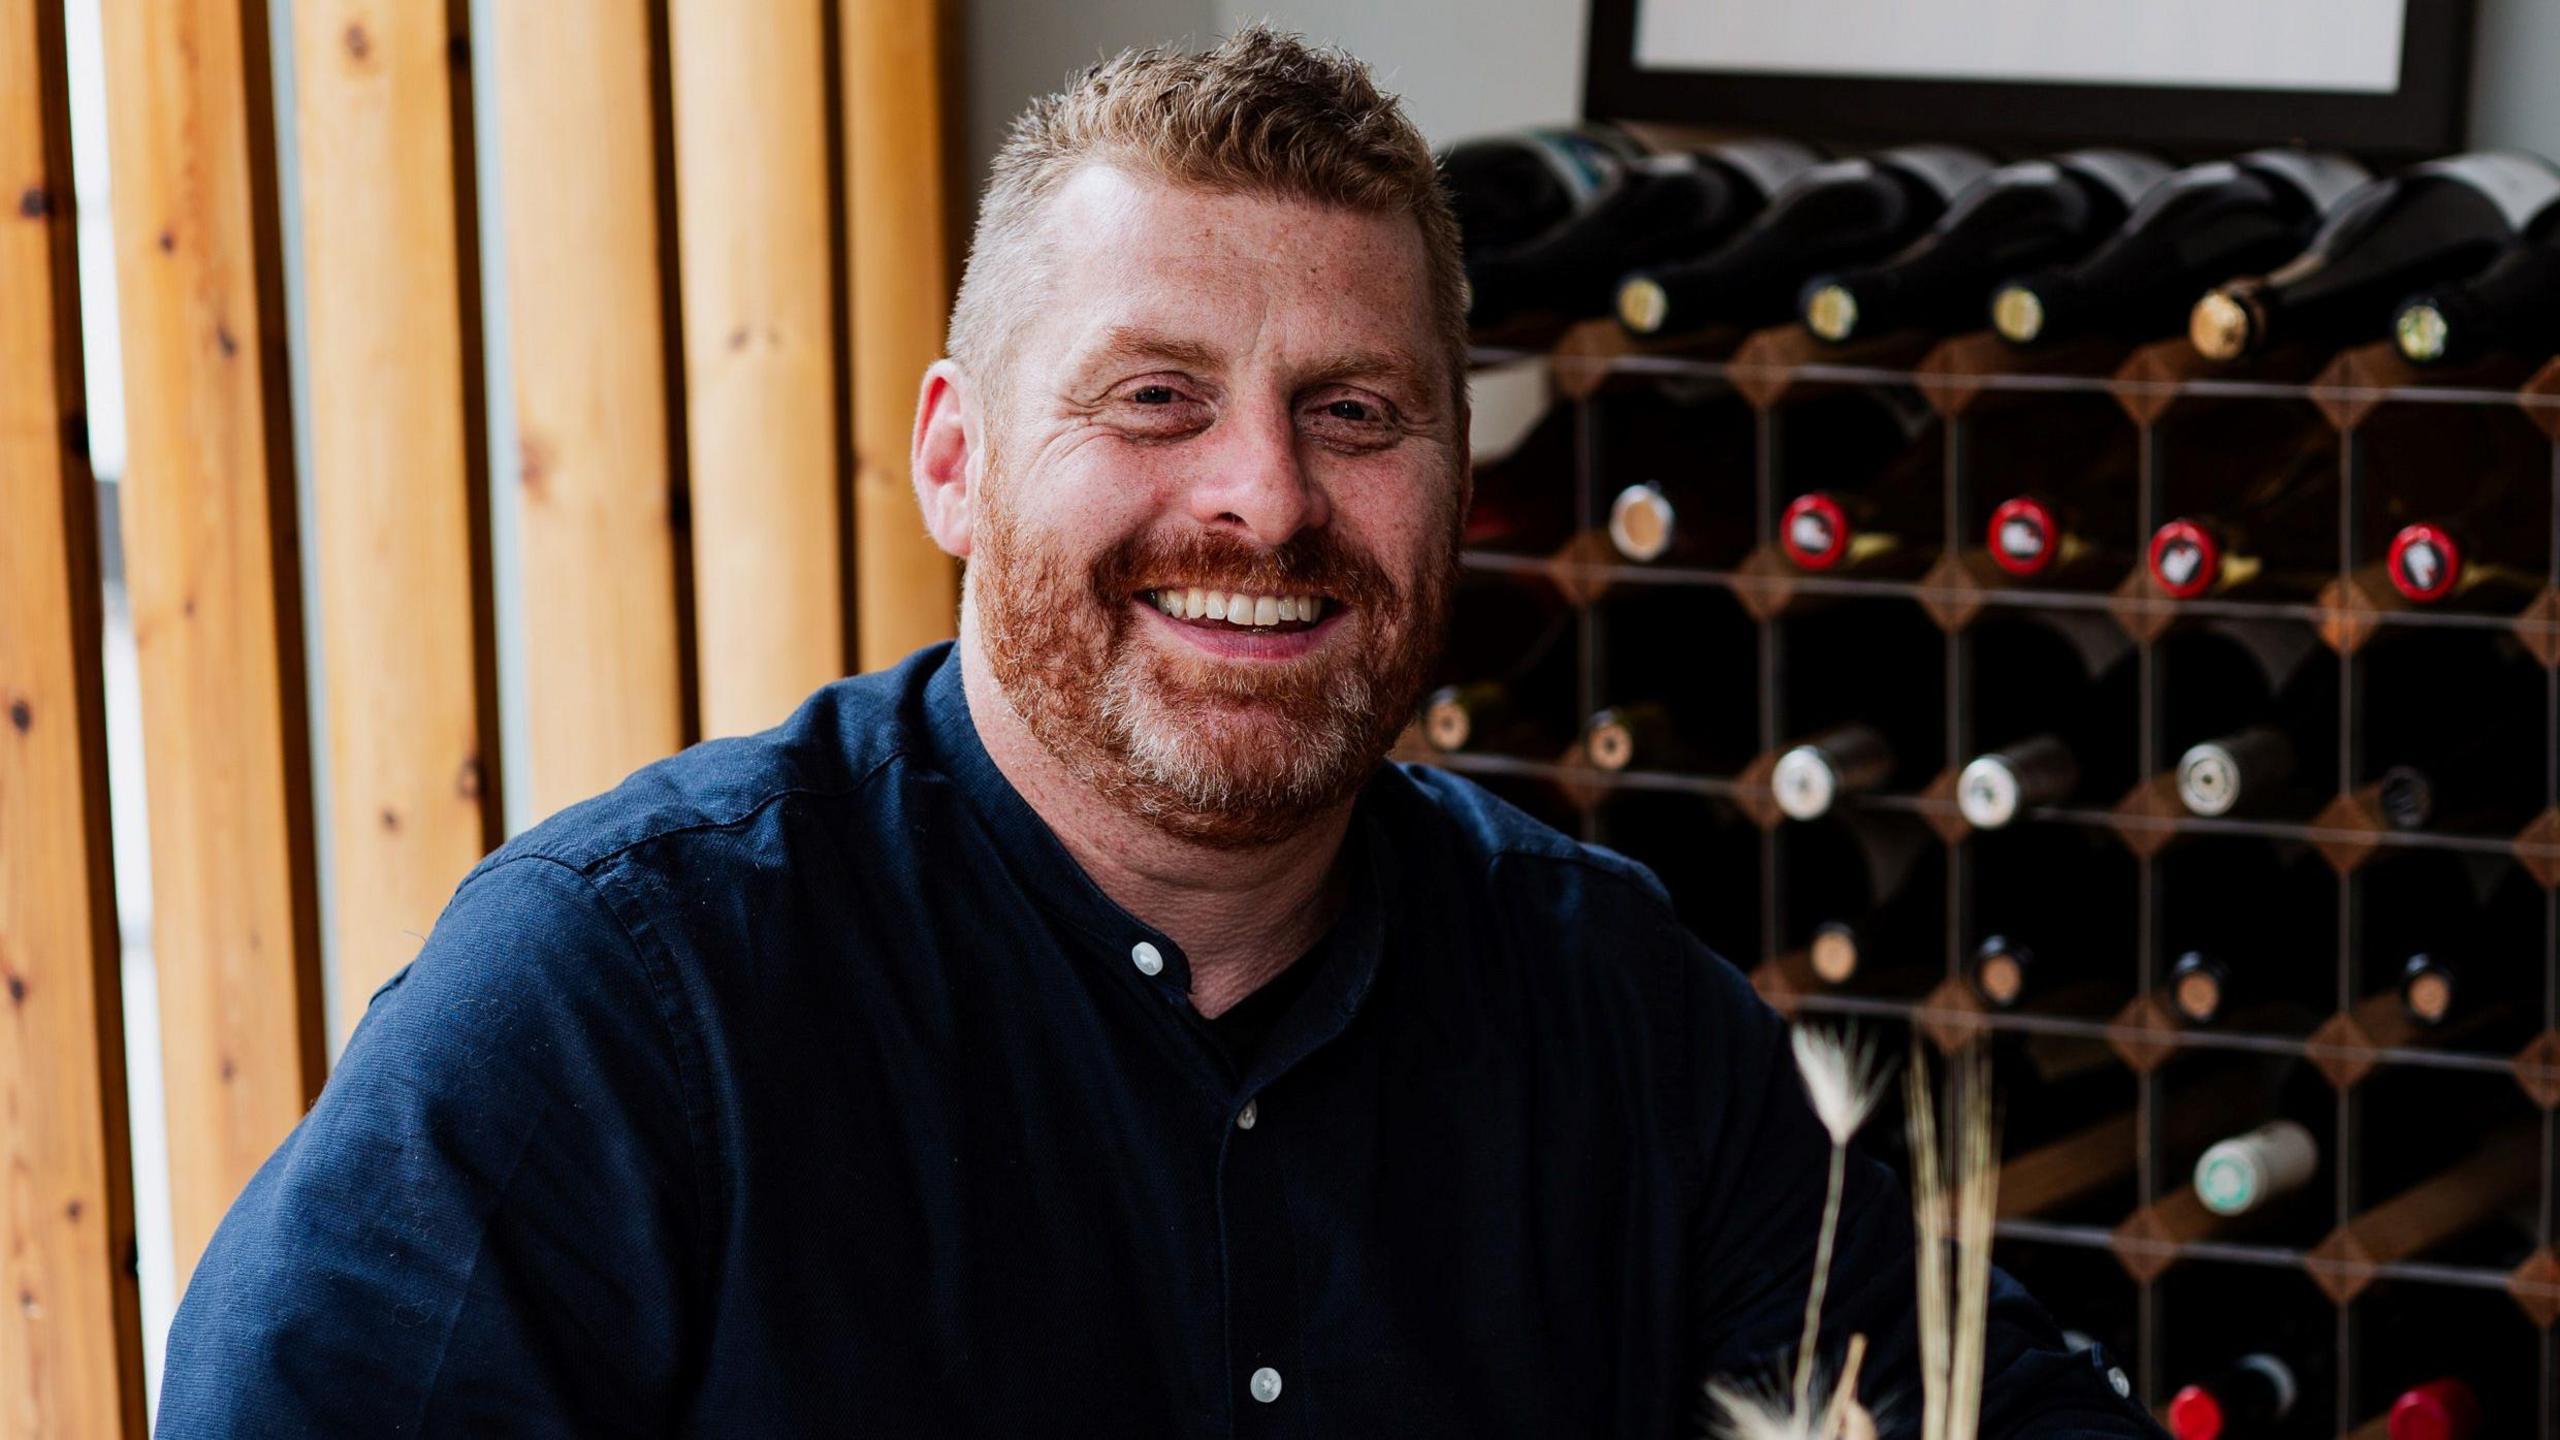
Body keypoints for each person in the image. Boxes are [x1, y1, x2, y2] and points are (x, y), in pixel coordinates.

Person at [158, 27, 2163, 1438]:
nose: (1265, 504)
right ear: (954, 460)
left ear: (1454, 485)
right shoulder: (619, 1005)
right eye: (1152, 400)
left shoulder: (1609, 1011)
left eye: (1353, 414)